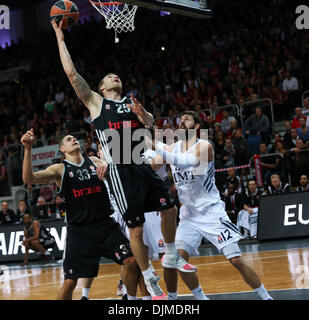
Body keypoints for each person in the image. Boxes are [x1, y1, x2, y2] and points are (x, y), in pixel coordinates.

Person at [51, 19, 196, 300]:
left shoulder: (131, 103)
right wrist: (60, 38)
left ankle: (170, 255)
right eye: (109, 77)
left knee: (170, 207)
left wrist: (145, 117)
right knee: (136, 227)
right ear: (101, 87)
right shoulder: (96, 103)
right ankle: (150, 278)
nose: (114, 76)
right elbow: (71, 74)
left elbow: (151, 124)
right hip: (120, 168)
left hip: (139, 162)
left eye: (117, 75)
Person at [150, 111, 273, 300]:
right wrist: (145, 145)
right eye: (180, 118)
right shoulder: (172, 148)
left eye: (187, 119)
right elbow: (152, 166)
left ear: (197, 126)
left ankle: (266, 297)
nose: (182, 121)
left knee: (236, 260)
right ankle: (196, 298)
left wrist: (156, 143)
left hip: (212, 212)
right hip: (189, 215)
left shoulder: (204, 146)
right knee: (176, 259)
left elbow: (184, 161)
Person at [20, 129, 139, 300]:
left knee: (131, 261)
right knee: (70, 282)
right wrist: (27, 149)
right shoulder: (60, 169)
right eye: (69, 139)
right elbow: (29, 178)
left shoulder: (94, 161)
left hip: (105, 225)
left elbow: (120, 169)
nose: (74, 139)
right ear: (62, 149)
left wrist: (106, 164)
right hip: (79, 231)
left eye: (75, 137)